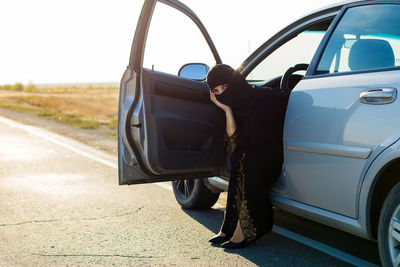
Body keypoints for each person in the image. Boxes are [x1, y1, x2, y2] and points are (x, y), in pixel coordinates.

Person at [206, 64, 287, 249]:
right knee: (239, 161)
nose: (222, 94)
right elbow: (233, 142)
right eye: (216, 91)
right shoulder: (231, 105)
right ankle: (230, 227)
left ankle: (245, 230)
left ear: (234, 82)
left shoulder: (265, 98)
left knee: (248, 163)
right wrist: (226, 110)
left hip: (272, 153)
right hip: (250, 152)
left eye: (224, 87)